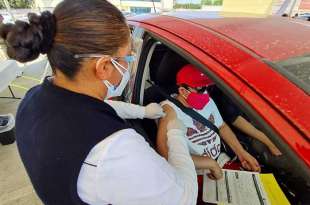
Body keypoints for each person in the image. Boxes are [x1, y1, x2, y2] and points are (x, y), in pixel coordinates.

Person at [0, 1, 198, 204]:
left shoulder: (32, 99)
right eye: (128, 58)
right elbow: (183, 198)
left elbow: (102, 109)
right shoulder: (114, 149)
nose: (129, 65)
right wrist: (174, 130)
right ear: (104, 66)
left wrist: (143, 112)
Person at [157, 64, 261, 175]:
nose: (206, 93)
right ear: (183, 91)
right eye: (201, 89)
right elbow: (165, 152)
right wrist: (209, 163)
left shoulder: (207, 100)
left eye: (207, 87)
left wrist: (241, 153)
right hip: (195, 172)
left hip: (223, 160)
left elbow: (222, 126)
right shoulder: (170, 110)